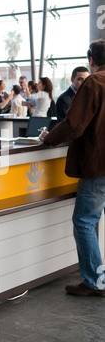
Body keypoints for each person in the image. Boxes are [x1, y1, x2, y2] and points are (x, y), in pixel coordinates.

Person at [39, 39, 105, 296]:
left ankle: (94, 281)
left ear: (91, 59)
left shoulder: (94, 82)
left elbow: (73, 124)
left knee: (84, 222)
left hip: (97, 164)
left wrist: (48, 138)